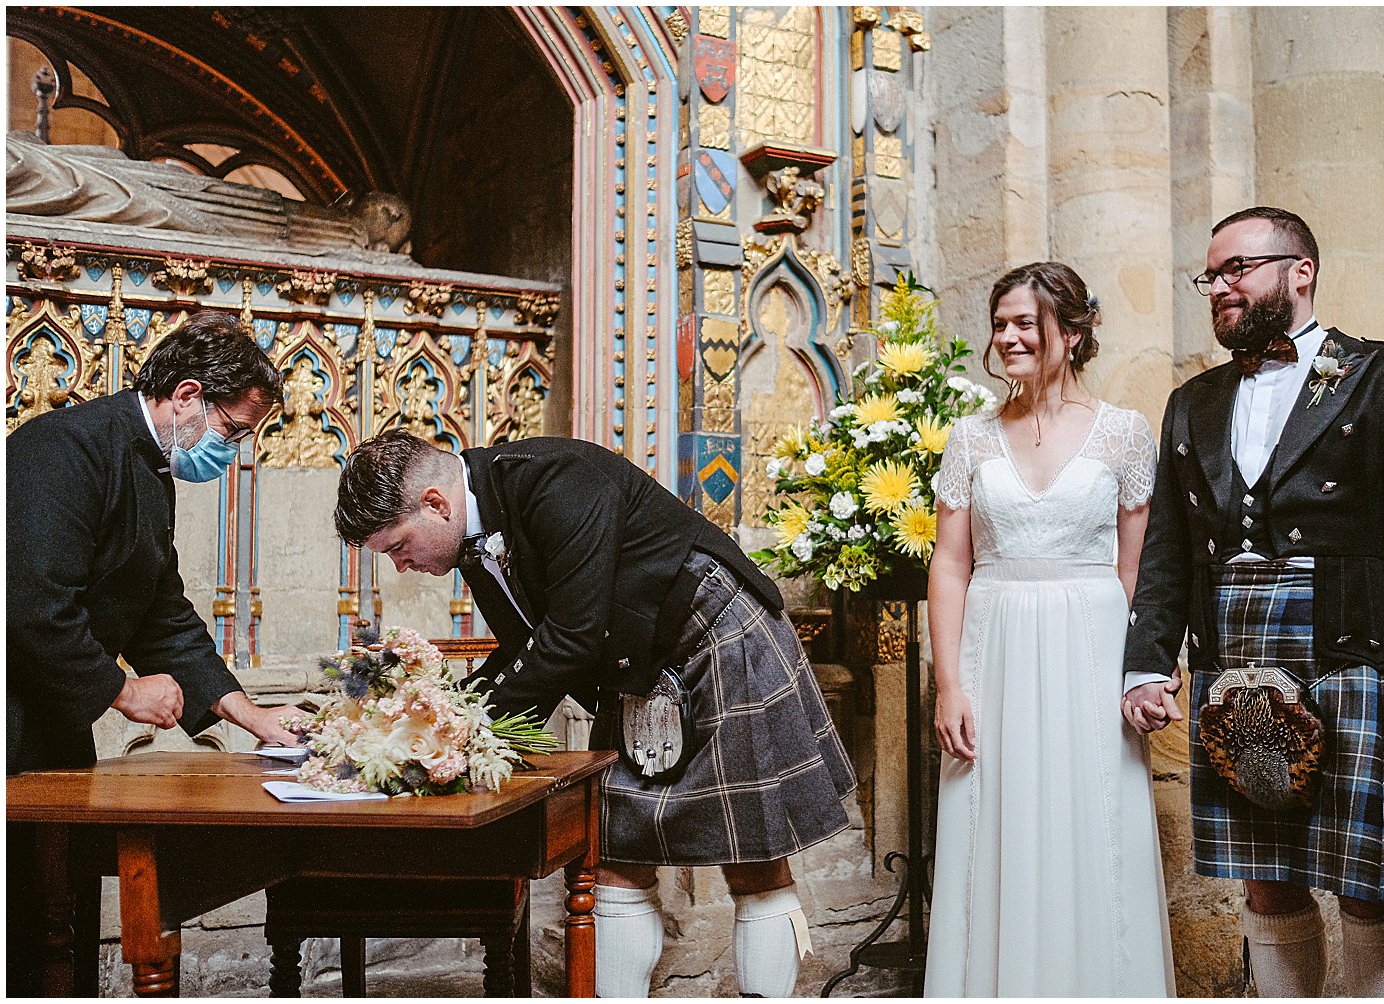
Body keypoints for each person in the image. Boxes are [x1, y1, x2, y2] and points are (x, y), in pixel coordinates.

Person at [333, 430, 856, 997]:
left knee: (753, 859)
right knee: (615, 854)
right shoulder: (473, 538)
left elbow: (572, 638)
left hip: (717, 635)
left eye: (397, 547)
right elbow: (525, 645)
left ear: (436, 504)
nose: (402, 566)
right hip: (639, 664)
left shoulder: (555, 480)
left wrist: (460, 730)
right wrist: (438, 718)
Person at [1123, 206, 1384, 997]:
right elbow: (1168, 551)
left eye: (1237, 268)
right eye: (1212, 276)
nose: (1221, 288)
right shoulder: (1192, 401)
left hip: (1353, 659)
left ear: (1299, 271)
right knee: (1265, 882)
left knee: (1370, 883)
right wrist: (1146, 665)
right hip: (1232, 669)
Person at [7, 310, 305, 993]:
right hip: (9, 720)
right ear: (188, 395)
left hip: (50, 726)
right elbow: (26, 601)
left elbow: (161, 614)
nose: (231, 451)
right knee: (19, 918)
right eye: (233, 431)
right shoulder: (64, 447)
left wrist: (253, 718)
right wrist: (121, 691)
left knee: (58, 917)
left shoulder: (150, 465)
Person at [926, 262, 1174, 996]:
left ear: (1070, 332)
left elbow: (1137, 574)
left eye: (1024, 323)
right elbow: (948, 566)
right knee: (997, 830)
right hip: (994, 650)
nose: (1007, 337)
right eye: (999, 324)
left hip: (1091, 654)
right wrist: (949, 685)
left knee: (1091, 827)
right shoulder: (969, 439)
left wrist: (1142, 672)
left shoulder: (1124, 435)